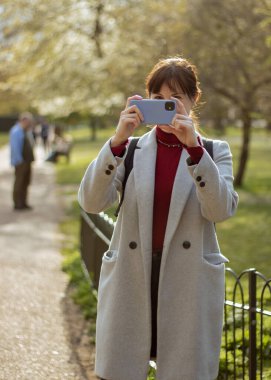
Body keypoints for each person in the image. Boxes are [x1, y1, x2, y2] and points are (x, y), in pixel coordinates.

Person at [78, 57, 239, 380]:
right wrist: (118, 140)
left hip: (186, 283)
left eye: (176, 97)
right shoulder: (132, 150)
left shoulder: (213, 150)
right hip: (133, 279)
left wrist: (194, 150)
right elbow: (92, 202)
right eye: (158, 98)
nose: (167, 105)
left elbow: (220, 210)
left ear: (194, 100)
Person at [10, 112, 35, 210]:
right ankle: (17, 204)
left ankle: (24, 203)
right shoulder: (16, 131)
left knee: (26, 183)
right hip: (20, 162)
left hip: (28, 161)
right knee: (19, 183)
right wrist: (19, 161)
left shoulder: (26, 131)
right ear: (24, 120)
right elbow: (15, 148)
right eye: (29, 122)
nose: (30, 124)